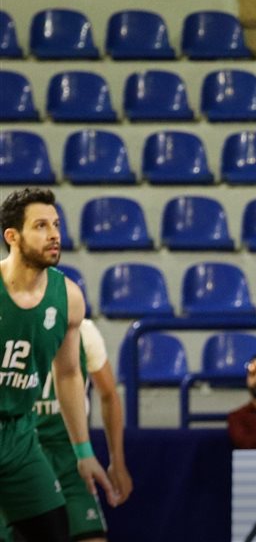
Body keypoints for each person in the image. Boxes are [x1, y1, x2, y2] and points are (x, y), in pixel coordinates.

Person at [0, 189, 115, 542]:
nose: (54, 234)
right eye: (40, 225)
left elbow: (67, 374)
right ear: (12, 237)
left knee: (53, 531)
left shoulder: (69, 297)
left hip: (19, 435)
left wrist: (84, 452)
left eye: (56, 224)